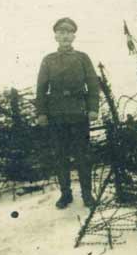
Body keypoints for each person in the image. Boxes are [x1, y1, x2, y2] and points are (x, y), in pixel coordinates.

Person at [35, 17, 100, 209]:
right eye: (61, 33)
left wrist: (93, 108)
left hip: (78, 113)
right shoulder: (48, 60)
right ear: (55, 36)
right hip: (56, 114)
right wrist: (41, 113)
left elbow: (93, 84)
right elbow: (41, 89)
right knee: (60, 156)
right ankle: (65, 194)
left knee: (83, 155)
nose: (65, 36)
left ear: (74, 36)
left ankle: (87, 194)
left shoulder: (82, 58)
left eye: (68, 32)